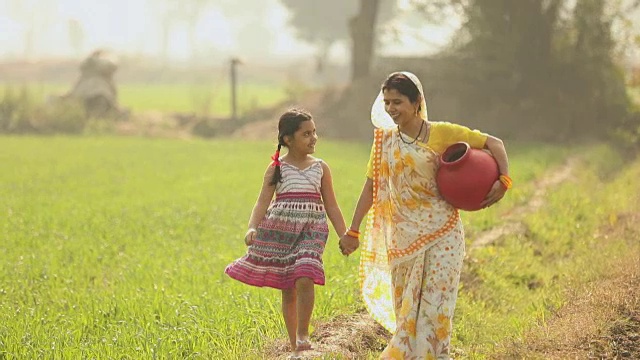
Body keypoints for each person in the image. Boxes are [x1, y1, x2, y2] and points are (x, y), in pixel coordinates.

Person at [338, 71, 511, 359]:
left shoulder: (440, 133)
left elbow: (494, 143)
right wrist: (353, 230)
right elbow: (372, 185)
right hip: (403, 241)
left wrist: (503, 180)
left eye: (398, 102)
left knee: (436, 310)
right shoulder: (384, 141)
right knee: (407, 316)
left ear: (417, 102)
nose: (391, 109)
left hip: (443, 234)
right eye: (387, 102)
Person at [225, 108, 347, 360]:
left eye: (314, 132)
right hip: (282, 232)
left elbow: (332, 205)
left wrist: (344, 234)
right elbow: (262, 202)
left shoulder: (321, 168)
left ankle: (303, 334)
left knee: (305, 273)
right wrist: (252, 227)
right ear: (287, 139)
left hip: (312, 229)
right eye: (306, 134)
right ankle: (295, 347)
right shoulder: (276, 168)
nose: (313, 137)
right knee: (288, 289)